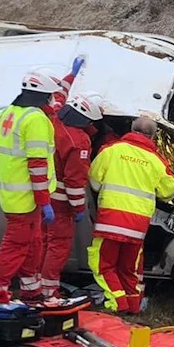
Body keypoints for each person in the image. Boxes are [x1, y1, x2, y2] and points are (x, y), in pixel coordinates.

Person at [87, 114, 174, 314]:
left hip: (110, 220)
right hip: (138, 225)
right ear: (153, 137)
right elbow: (170, 191)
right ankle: (133, 306)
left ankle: (117, 303)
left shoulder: (111, 151)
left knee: (102, 264)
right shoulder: (157, 161)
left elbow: (93, 179)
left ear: (131, 129)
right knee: (130, 268)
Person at [0, 67, 64, 301]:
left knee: (33, 242)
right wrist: (44, 200)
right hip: (27, 196)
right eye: (51, 95)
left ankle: (31, 288)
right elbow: (37, 163)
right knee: (16, 245)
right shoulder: (36, 120)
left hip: (13, 191)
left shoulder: (10, 113)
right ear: (43, 96)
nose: (53, 99)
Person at [37, 91, 102, 298]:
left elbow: (57, 99)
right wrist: (79, 207)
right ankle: (49, 291)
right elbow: (74, 181)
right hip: (61, 202)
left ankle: (35, 284)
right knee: (58, 246)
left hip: (44, 194)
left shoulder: (53, 120)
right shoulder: (78, 142)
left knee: (44, 242)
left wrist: (70, 77)